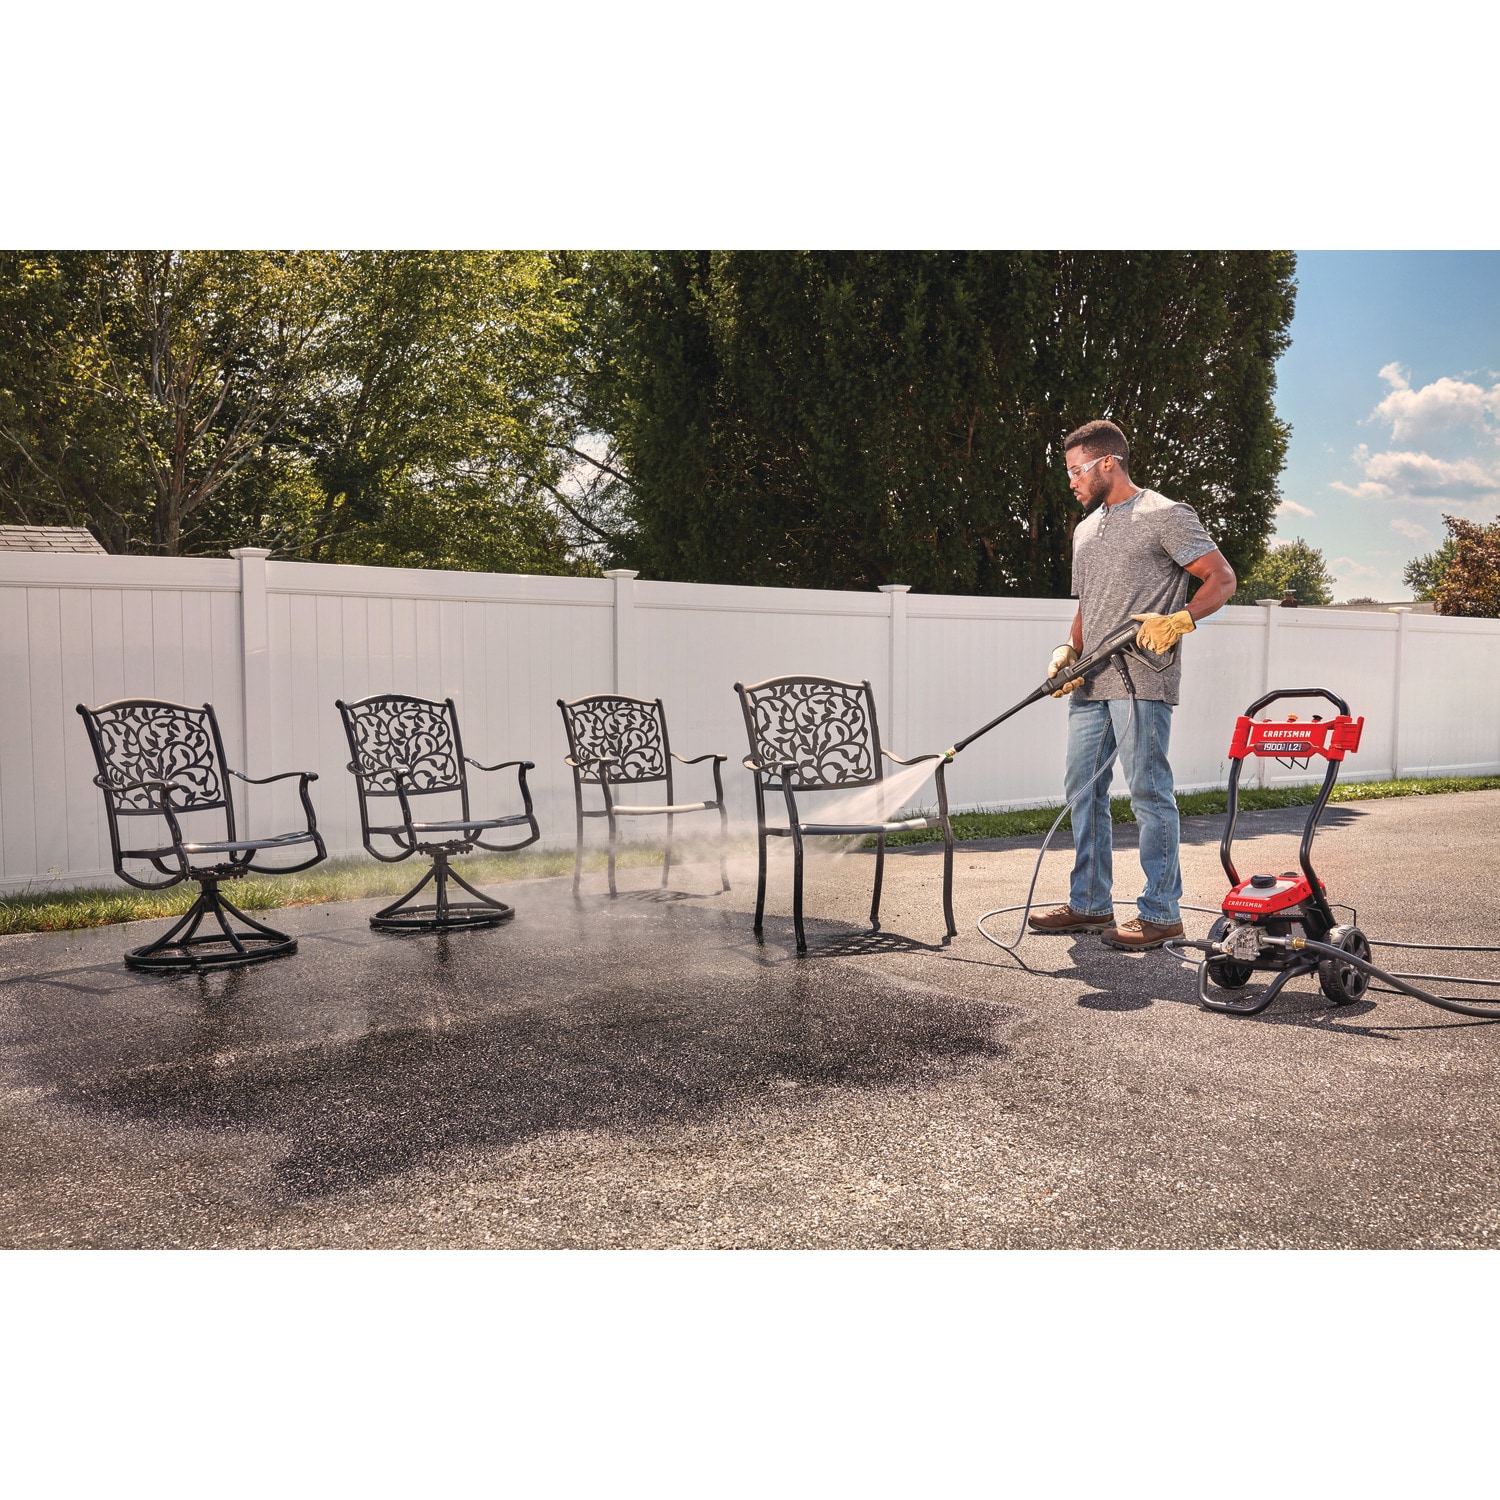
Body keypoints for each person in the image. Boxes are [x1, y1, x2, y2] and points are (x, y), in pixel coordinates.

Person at [1028, 419, 1237, 950]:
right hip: (1090, 682)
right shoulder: (1085, 530)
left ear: (1108, 463)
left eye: (1077, 470)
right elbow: (1088, 604)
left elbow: (1222, 578)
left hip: (1141, 678)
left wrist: (1181, 620)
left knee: (1147, 792)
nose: (1071, 481)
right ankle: (1089, 903)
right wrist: (1068, 650)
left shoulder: (1165, 514)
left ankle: (1162, 912)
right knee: (1082, 791)